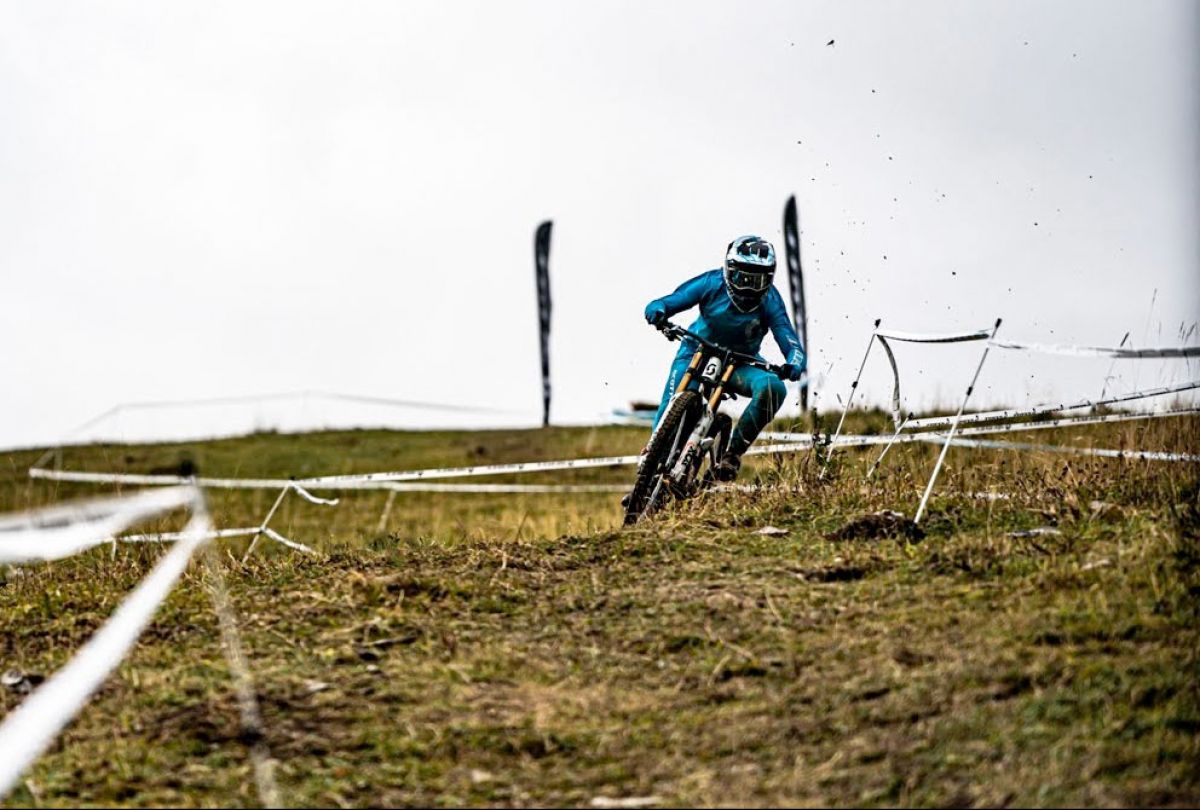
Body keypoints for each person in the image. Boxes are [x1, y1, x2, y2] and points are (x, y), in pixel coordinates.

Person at [643, 235, 806, 481]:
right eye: (743, 277)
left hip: (740, 362)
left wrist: (794, 363)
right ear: (729, 270)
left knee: (774, 387)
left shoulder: (771, 300)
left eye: (758, 280)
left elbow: (789, 339)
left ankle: (732, 455)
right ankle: (650, 462)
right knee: (672, 400)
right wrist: (658, 311)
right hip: (695, 351)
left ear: (770, 278)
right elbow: (669, 301)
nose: (750, 287)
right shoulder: (711, 282)